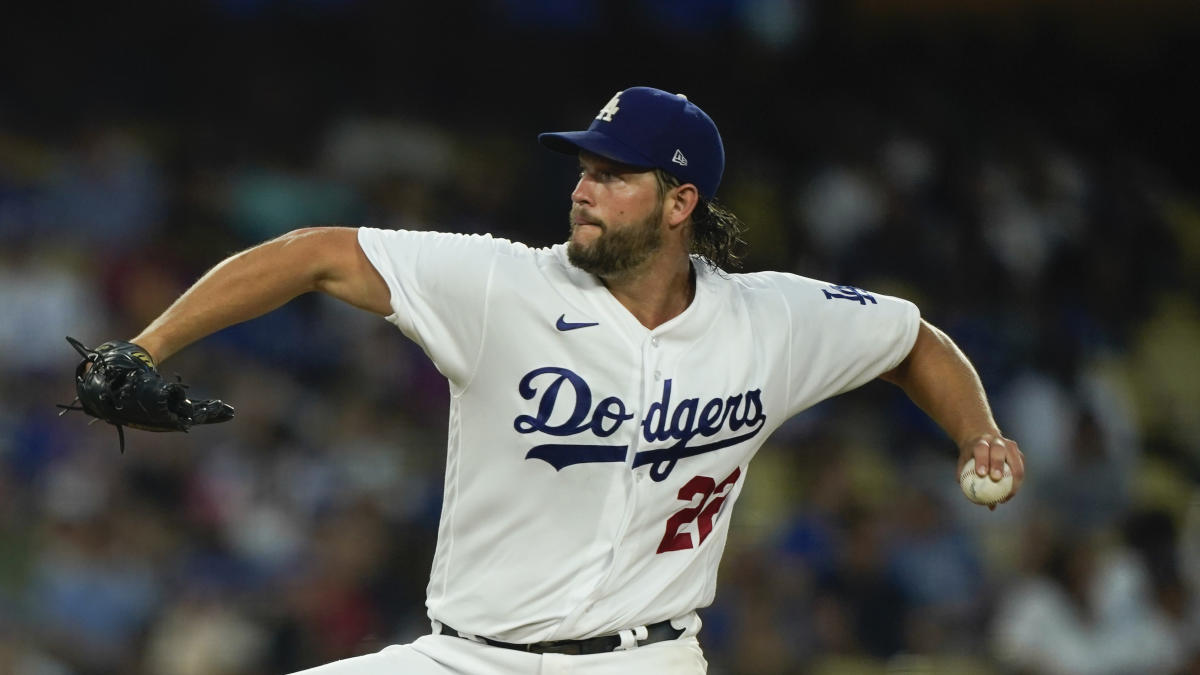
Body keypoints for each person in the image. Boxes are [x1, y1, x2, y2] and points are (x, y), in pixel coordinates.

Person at [114, 86, 1025, 673]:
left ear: (681, 204)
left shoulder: (772, 319)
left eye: (613, 174)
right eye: (584, 169)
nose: (584, 188)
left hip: (643, 661)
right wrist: (144, 350)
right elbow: (314, 253)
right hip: (468, 659)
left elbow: (913, 340)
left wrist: (975, 430)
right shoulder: (501, 285)